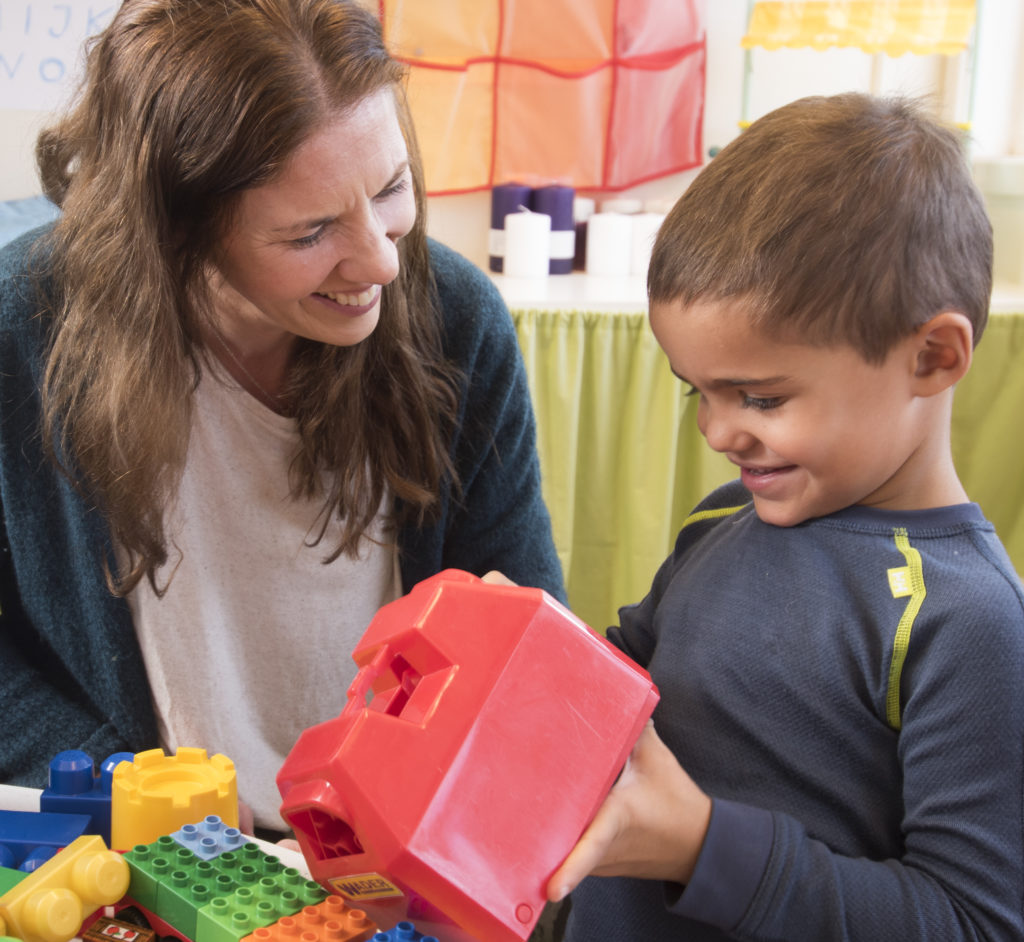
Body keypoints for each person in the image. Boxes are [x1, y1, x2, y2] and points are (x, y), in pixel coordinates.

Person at [0, 0, 563, 834]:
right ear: (172, 231)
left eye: (392, 187)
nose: (380, 258)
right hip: (144, 860)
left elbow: (516, 640)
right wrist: (128, 795)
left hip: (393, 856)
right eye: (310, 232)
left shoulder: (459, 323)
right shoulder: (24, 330)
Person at [545, 93, 1024, 939]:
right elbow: (622, 691)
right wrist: (529, 649)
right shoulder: (727, 518)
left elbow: (972, 921)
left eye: (761, 397)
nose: (719, 431)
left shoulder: (965, 620)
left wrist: (701, 849)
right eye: (698, 391)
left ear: (932, 357)